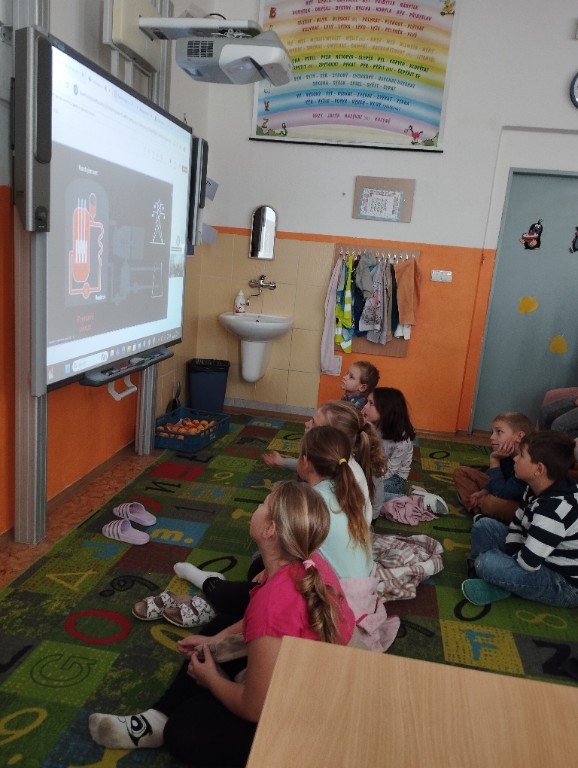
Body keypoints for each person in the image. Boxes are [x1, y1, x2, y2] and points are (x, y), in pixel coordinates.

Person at [89, 480, 355, 766]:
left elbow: (253, 707)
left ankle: (169, 722)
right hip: (313, 680)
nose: (256, 507)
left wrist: (213, 680)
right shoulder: (305, 563)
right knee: (220, 628)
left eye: (263, 504)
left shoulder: (271, 606)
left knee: (184, 729)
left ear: (270, 529)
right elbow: (265, 626)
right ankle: (156, 719)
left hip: (307, 720)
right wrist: (215, 641)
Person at [169, 425, 373, 628]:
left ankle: (210, 584)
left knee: (250, 584)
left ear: (305, 462)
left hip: (333, 600)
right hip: (356, 590)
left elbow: (296, 552)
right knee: (260, 566)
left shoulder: (311, 501)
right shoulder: (344, 488)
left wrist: (270, 574)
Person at [462, 430, 578, 608]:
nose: (515, 459)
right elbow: (517, 525)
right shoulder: (535, 487)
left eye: (522, 455)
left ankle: (491, 576)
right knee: (483, 526)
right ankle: (497, 580)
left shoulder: (553, 511)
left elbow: (529, 563)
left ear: (539, 469)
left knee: (487, 563)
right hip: (535, 553)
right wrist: (509, 559)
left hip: (563, 583)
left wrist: (504, 564)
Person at [263, 399, 386, 519]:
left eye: (314, 423)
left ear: (330, 439)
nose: (306, 424)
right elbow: (307, 466)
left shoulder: (331, 487)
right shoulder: (341, 460)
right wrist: (282, 461)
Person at [453, 411, 534, 522]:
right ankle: (477, 512)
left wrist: (494, 461)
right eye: (492, 432)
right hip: (501, 487)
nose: (492, 437)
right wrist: (484, 491)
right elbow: (497, 479)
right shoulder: (505, 454)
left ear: (519, 436)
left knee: (490, 503)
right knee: (461, 472)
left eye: (499, 432)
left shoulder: (526, 464)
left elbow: (501, 494)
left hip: (517, 504)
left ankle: (479, 508)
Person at [361, 387, 416, 504]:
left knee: (367, 494)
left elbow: (389, 471)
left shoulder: (402, 442)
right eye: (366, 402)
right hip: (374, 467)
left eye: (371, 403)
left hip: (395, 477)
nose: (365, 407)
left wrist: (367, 478)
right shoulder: (373, 425)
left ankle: (408, 499)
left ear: (386, 410)